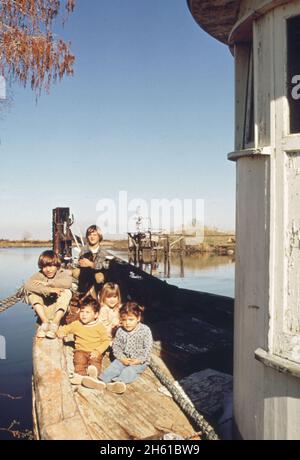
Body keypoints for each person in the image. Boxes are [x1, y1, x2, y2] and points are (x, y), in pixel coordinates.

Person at [82, 302, 153, 394]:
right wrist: (122, 358)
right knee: (115, 366)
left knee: (130, 371)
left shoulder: (145, 330)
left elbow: (148, 348)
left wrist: (138, 360)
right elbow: (116, 347)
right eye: (124, 320)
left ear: (138, 318)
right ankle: (101, 381)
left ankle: (118, 383)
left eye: (131, 320)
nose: (127, 323)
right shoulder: (120, 331)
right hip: (123, 357)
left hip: (139, 361)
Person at [57, 296, 110, 384]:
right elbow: (66, 329)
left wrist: (98, 351)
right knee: (79, 361)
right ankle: (81, 377)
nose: (84, 314)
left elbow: (106, 341)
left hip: (94, 351)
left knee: (95, 363)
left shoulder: (99, 327)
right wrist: (61, 332)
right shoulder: (76, 324)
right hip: (81, 350)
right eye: (82, 311)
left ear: (96, 315)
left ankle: (93, 375)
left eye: (87, 312)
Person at [24, 250, 72, 339]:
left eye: (51, 266)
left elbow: (68, 283)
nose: (48, 270)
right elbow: (27, 286)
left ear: (56, 265)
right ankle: (45, 322)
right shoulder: (39, 275)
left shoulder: (63, 273)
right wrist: (50, 290)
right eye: (44, 267)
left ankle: (55, 323)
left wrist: (49, 283)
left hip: (59, 309)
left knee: (67, 292)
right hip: (44, 309)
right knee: (32, 294)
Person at [72, 225, 106, 297]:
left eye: (95, 235)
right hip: (85, 272)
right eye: (90, 235)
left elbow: (102, 265)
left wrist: (91, 264)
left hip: (98, 272)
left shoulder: (102, 251)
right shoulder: (84, 249)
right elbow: (80, 262)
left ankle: (96, 292)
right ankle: (83, 291)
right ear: (87, 237)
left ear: (99, 236)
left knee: (99, 277)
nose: (92, 237)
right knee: (76, 272)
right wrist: (79, 263)